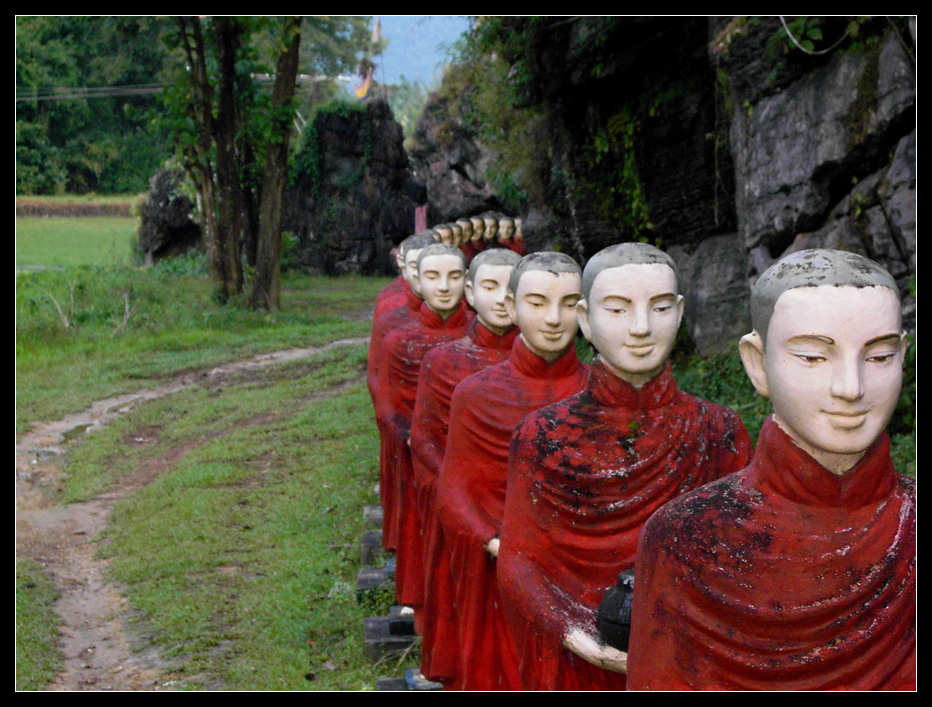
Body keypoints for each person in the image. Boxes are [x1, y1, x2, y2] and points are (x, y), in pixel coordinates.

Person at [627, 249, 915, 691]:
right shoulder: (686, 538)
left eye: (878, 357)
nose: (851, 388)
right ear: (758, 364)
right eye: (813, 358)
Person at [497, 243, 753, 690]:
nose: (640, 328)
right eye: (617, 310)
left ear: (678, 313)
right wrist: (577, 635)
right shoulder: (542, 435)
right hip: (581, 656)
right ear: (585, 320)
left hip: (694, 655)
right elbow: (519, 563)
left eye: (658, 308)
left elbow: (745, 559)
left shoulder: (719, 430)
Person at [437, 252, 589, 690]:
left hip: (581, 571)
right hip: (498, 566)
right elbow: (454, 491)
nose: (553, 318)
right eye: (537, 302)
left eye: (568, 303)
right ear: (513, 303)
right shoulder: (476, 394)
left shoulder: (596, 393)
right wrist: (499, 544)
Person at [409, 248, 522, 686]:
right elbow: (424, 440)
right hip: (466, 511)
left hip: (531, 517)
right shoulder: (443, 361)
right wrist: (462, 503)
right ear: (470, 293)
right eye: (489, 286)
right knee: (468, 616)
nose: (500, 298)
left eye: (511, 287)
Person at [378, 243, 470, 609]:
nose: (444, 286)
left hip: (470, 464)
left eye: (453, 277)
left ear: (467, 281)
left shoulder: (480, 336)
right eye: (433, 276)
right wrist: (409, 439)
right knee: (422, 535)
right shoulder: (399, 338)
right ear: (416, 277)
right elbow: (387, 399)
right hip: (417, 453)